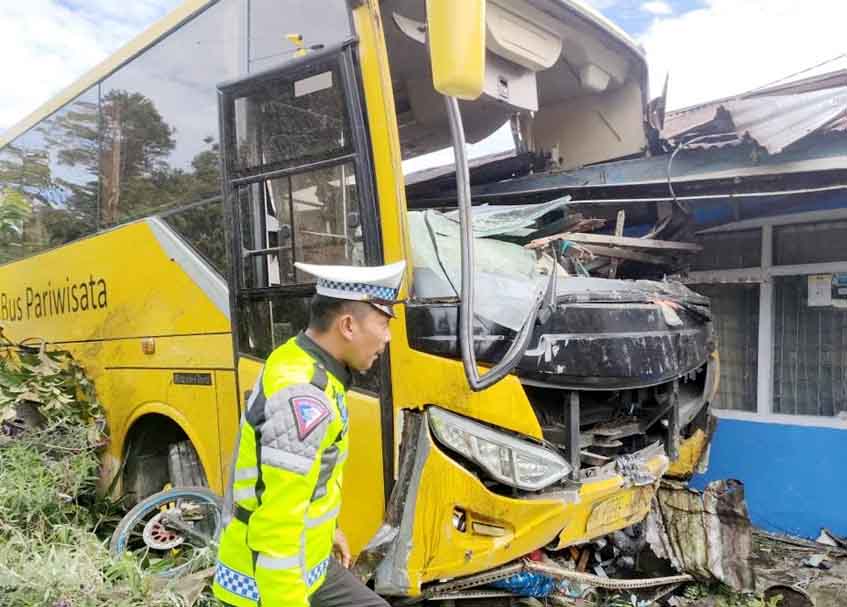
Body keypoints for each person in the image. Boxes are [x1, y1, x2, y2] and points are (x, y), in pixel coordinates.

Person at [212, 260, 406, 607]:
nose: (388, 337)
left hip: (311, 566)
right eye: (383, 322)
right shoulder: (303, 394)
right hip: (265, 586)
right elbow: (277, 526)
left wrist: (330, 529)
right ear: (348, 325)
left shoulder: (305, 360)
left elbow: (311, 477)